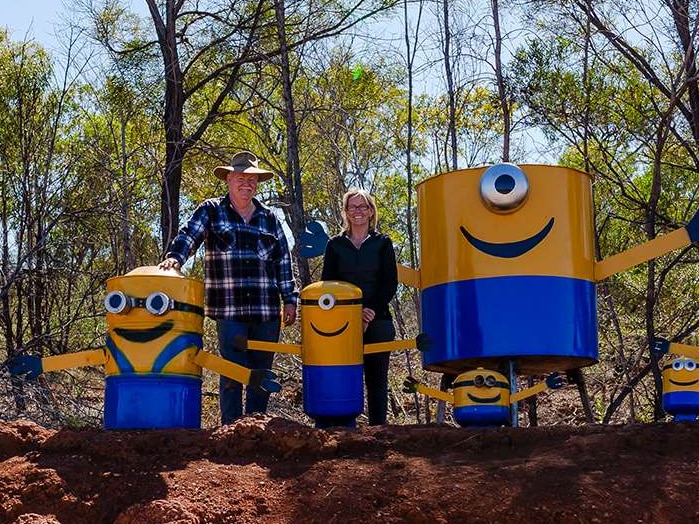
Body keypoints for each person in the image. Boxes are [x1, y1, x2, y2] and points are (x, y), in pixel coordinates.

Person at [159, 150, 298, 424]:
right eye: (241, 178)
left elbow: (283, 260)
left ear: (257, 183)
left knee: (262, 373)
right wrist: (176, 257)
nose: (247, 184)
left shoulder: (269, 218)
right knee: (232, 370)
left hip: (266, 310)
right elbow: (189, 235)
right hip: (229, 309)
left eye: (252, 180)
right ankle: (231, 429)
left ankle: (255, 427)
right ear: (229, 179)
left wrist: (290, 299)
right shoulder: (211, 210)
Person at [320, 188, 398, 426]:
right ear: (345, 211)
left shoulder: (382, 243)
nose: (358, 212)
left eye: (363, 206)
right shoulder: (335, 245)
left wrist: (370, 310)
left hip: (379, 320)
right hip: (342, 323)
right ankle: (344, 430)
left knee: (377, 380)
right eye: (352, 207)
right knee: (345, 377)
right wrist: (353, 312)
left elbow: (389, 282)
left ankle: (378, 432)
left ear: (371, 211)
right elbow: (328, 284)